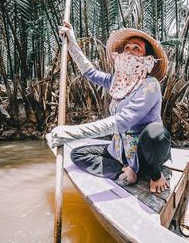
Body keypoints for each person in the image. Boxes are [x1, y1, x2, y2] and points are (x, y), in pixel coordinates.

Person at [51, 21, 171, 193]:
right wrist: (72, 43)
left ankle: (152, 173)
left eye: (136, 48)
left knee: (156, 133)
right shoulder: (118, 81)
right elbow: (90, 72)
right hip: (120, 149)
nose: (129, 50)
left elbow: (123, 121)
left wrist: (71, 133)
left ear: (147, 59)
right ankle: (125, 172)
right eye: (127, 47)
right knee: (78, 154)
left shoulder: (150, 85)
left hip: (146, 153)